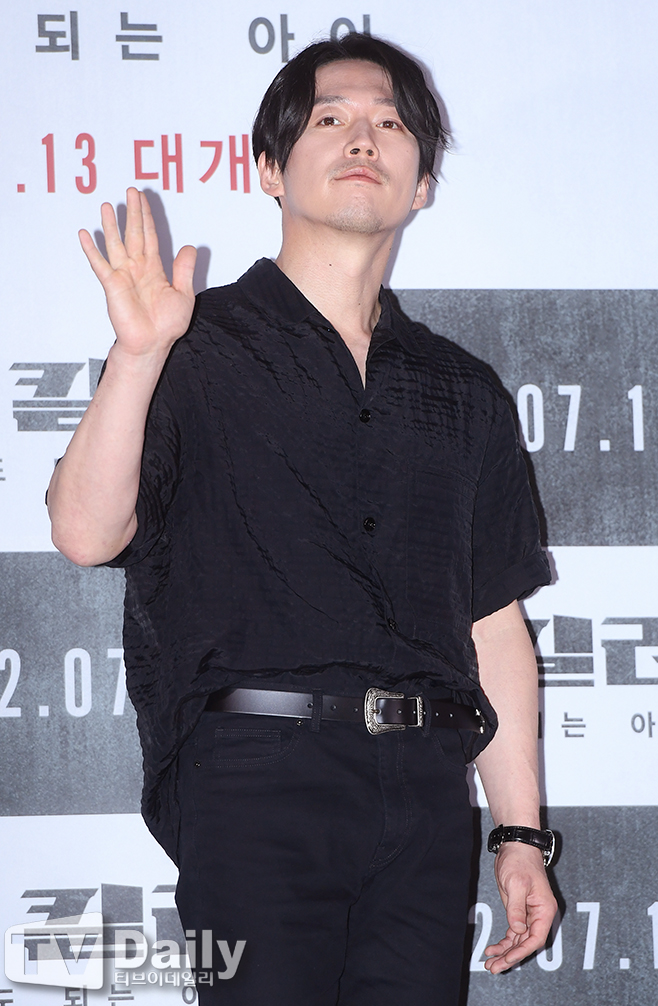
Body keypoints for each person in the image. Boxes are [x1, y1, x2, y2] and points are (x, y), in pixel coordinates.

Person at [47, 32, 557, 1006]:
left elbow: (492, 624)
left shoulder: (464, 391)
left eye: (390, 124)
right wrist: (139, 354)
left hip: (426, 787)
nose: (363, 137)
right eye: (331, 118)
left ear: (421, 184)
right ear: (270, 168)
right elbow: (84, 532)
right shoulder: (192, 348)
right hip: (254, 779)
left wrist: (520, 833)